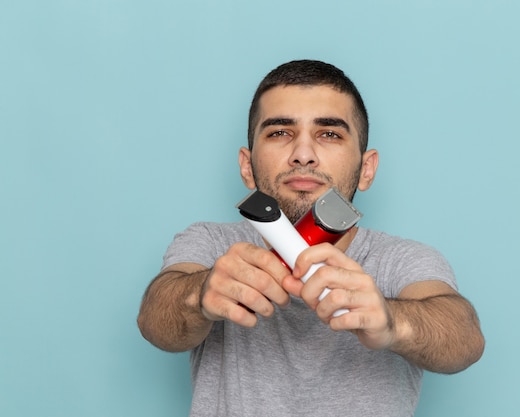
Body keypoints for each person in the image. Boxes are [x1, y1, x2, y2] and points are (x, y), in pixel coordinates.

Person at [137, 59, 484, 417]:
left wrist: (392, 321)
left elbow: (464, 338)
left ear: (367, 169)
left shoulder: (401, 260)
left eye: (330, 134)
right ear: (246, 166)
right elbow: (155, 321)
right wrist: (200, 294)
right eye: (279, 133)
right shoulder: (211, 243)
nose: (303, 154)